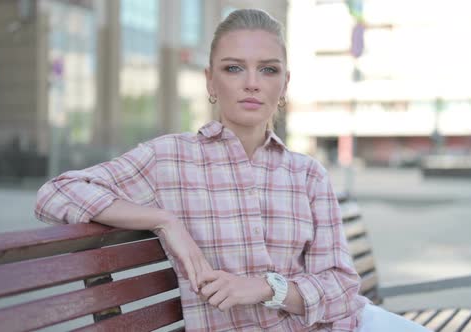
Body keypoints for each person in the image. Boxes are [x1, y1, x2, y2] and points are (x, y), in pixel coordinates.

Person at [35, 8, 430, 332]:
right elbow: (56, 193)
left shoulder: (307, 175)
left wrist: (263, 288)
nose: (252, 84)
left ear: (285, 84)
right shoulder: (169, 158)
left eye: (268, 70)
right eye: (234, 68)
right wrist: (164, 220)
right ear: (210, 80)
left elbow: (342, 287)